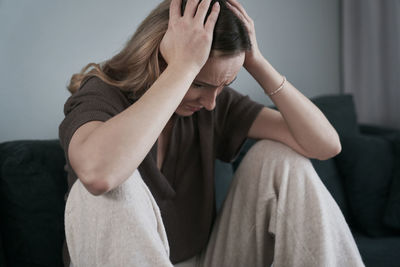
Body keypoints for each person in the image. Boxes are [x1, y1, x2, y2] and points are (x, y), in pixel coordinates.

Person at [58, 0, 366, 266]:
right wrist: (182, 69)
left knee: (281, 158)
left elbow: (326, 145)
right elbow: (98, 174)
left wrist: (256, 60)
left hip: (206, 260)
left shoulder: (213, 106)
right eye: (199, 84)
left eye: (223, 86)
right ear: (160, 56)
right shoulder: (101, 93)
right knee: (108, 186)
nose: (210, 102)